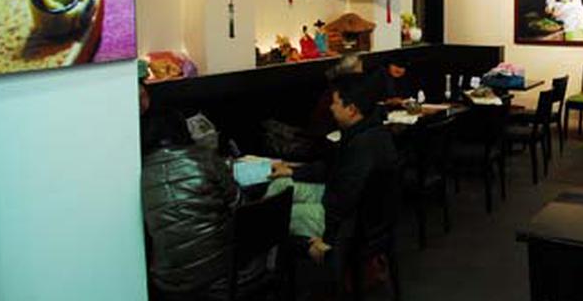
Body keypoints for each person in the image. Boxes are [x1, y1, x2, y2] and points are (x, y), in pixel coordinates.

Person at [141, 82, 265, 300]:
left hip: (168, 282)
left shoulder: (140, 173)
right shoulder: (205, 158)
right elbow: (239, 207)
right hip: (222, 274)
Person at [266, 73, 399, 264]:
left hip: (349, 222)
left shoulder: (362, 144)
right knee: (281, 184)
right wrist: (293, 171)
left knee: (276, 215)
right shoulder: (369, 130)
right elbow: (334, 168)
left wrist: (328, 239)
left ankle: (265, 274)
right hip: (343, 202)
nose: (330, 107)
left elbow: (344, 202)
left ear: (351, 109)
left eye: (335, 103)